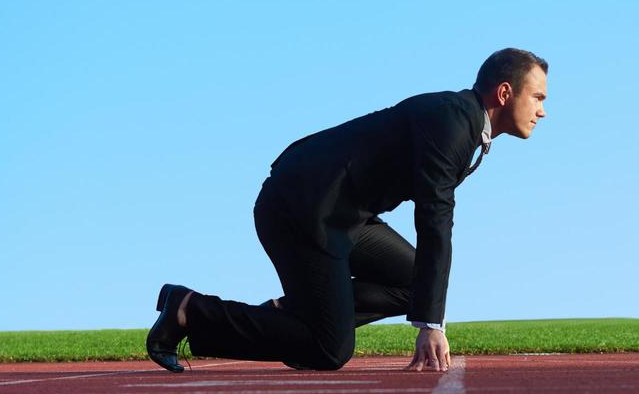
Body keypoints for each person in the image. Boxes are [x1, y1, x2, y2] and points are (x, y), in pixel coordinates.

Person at [146, 47, 548, 374]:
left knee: (413, 281)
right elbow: (435, 220)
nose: (542, 110)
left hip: (345, 212)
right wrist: (430, 325)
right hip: (302, 208)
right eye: (538, 97)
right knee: (328, 349)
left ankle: (294, 313)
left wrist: (427, 311)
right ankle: (188, 310)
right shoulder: (452, 123)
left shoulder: (462, 122)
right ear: (504, 93)